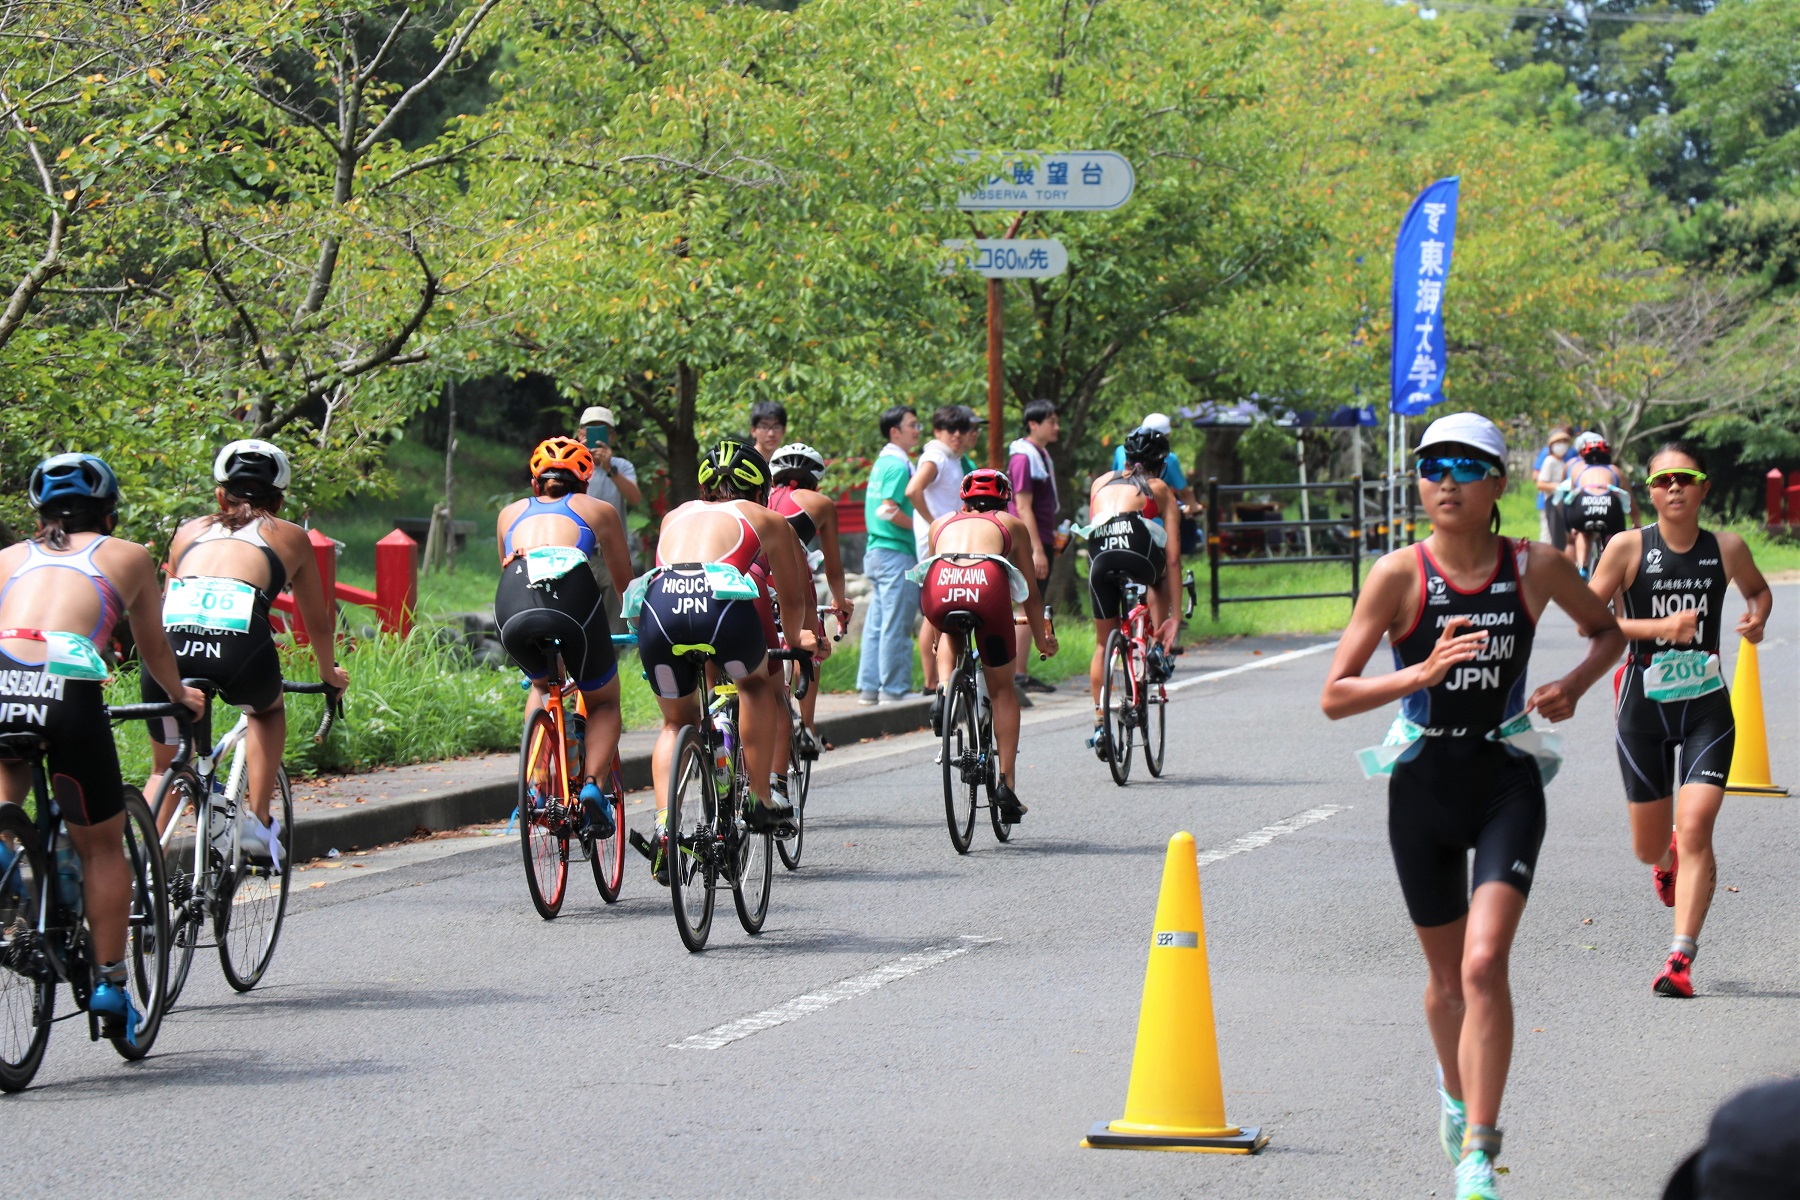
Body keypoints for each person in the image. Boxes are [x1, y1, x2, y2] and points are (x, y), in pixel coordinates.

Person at [1319, 413, 1622, 1200]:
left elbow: (1607, 632)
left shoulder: (1535, 566)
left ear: (1497, 484)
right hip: (1421, 780)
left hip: (1504, 776)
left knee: (1486, 963)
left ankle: (1479, 1153)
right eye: (1431, 467)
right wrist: (1416, 678)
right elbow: (1335, 695)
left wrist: (1572, 688)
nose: (1444, 480)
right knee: (1447, 979)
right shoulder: (1399, 575)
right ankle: (1454, 1097)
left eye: (1464, 465)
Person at [0, 454, 204, 1047]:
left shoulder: (8, 558)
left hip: (3, 678)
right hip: (65, 684)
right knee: (102, 847)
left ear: (38, 514)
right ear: (109, 511)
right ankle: (113, 983)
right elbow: (153, 644)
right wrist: (178, 696)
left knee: (9, 774)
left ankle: (6, 853)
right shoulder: (128, 556)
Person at [1587, 441, 1771, 999]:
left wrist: (1757, 618)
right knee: (1651, 845)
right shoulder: (1625, 548)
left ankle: (1680, 958)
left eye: (1684, 479)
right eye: (1663, 481)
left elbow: (1759, 591)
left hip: (1706, 709)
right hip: (1642, 709)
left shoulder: (1728, 548)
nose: (1674, 488)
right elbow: (1590, 620)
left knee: (1696, 827)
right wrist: (1655, 630)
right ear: (1649, 491)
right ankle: (1665, 859)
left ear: (1702, 488)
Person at [143, 440, 351, 862]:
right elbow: (318, 621)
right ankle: (257, 819)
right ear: (280, 500)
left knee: (164, 767)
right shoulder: (290, 536)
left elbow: (168, 601)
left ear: (221, 494)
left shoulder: (187, 531)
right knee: (268, 711)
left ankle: (142, 873)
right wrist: (328, 671)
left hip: (170, 648)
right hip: (239, 650)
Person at [633, 441, 817, 879]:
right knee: (754, 687)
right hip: (721, 608)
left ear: (702, 485)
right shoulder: (766, 517)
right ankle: (758, 798)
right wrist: (796, 639)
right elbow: (791, 596)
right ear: (761, 491)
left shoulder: (673, 516)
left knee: (675, 723)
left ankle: (665, 826)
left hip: (661, 609)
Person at [493, 438, 633, 838]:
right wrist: (639, 626)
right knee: (604, 700)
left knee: (541, 684)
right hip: (572, 600)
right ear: (584, 483)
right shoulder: (598, 510)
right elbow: (625, 585)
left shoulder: (509, 514)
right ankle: (591, 786)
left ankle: (536, 789)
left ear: (536, 483)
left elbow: (504, 567)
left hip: (512, 602)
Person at [918, 469, 1056, 821]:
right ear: (1004, 500)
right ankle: (1006, 785)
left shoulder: (940, 524)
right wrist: (1042, 639)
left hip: (941, 588)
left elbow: (932, 573)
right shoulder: (1011, 525)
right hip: (987, 587)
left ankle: (944, 690)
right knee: (1002, 692)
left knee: (950, 632)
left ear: (963, 500)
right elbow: (1029, 592)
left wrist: (935, 642)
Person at [1084, 428, 1183, 757]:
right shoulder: (1160, 488)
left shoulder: (1099, 482)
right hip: (1137, 548)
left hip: (1099, 555)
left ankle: (1100, 725)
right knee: (1157, 577)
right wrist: (1176, 617)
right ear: (1162, 462)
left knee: (1102, 644)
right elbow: (1172, 557)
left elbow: (1094, 525)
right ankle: (1156, 645)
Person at [767, 442, 850, 753]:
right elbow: (833, 565)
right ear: (816, 480)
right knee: (809, 641)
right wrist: (840, 602)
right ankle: (807, 727)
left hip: (756, 576)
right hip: (794, 579)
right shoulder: (820, 503)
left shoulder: (757, 498)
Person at [857, 405, 921, 705]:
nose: (917, 430)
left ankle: (870, 689)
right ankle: (894, 690)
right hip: (896, 552)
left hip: (877, 551)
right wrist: (924, 526)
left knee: (877, 623)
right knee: (896, 623)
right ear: (895, 431)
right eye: (912, 425)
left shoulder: (883, 463)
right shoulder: (898, 465)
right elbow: (888, 508)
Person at [908, 405, 972, 699]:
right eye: (950, 430)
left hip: (948, 542)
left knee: (940, 611)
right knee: (935, 613)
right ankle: (932, 682)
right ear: (937, 432)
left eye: (961, 429)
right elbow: (913, 490)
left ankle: (938, 680)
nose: (956, 435)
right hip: (939, 545)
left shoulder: (949, 457)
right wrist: (935, 521)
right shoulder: (936, 455)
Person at [1007, 398, 1060, 694]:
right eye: (1051, 421)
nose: (1056, 427)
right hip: (1028, 540)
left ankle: (1020, 671)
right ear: (1033, 424)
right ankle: (1017, 672)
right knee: (1027, 601)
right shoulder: (1023, 458)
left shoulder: (1040, 455)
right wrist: (1036, 549)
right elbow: (1023, 507)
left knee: (1030, 601)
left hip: (1042, 536)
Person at [1560, 431, 1636, 575]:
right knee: (1612, 536)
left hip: (1582, 509)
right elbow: (1630, 499)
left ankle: (1582, 567)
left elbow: (1572, 497)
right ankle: (1612, 566)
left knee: (1583, 532)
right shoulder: (1615, 470)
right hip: (1609, 509)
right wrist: (1636, 521)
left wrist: (1573, 525)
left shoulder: (1577, 469)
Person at [1110, 413, 1201, 519]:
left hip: (1117, 517)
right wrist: (1195, 507)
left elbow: (1114, 478)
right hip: (1153, 525)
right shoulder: (1169, 459)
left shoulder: (1121, 451)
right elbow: (1185, 493)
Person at [1532, 426, 1576, 547]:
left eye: (1564, 442)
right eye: (1558, 442)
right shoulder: (1549, 460)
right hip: (1551, 502)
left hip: (1562, 503)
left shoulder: (1562, 462)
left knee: (1560, 537)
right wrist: (1558, 486)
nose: (1562, 445)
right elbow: (1540, 483)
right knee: (1549, 537)